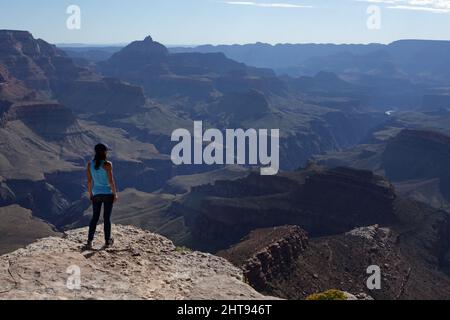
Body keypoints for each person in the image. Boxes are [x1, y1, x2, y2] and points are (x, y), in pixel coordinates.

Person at [85, 143, 118, 249]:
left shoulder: (90, 164)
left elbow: (89, 181)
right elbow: (111, 181)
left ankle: (89, 241)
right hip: (107, 193)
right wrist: (115, 193)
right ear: (104, 152)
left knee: (95, 217)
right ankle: (107, 241)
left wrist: (90, 193)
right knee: (106, 218)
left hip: (96, 193)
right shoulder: (108, 164)